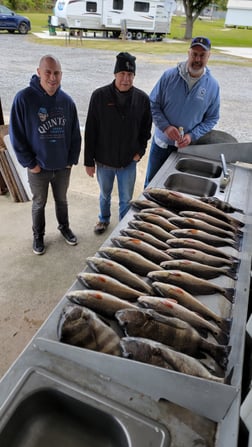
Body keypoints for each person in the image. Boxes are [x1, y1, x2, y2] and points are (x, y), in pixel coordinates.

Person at [9, 55, 82, 255]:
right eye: (48, 72)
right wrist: (30, 163)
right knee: (39, 203)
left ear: (61, 75)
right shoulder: (24, 99)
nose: (52, 77)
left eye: (56, 73)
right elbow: (17, 136)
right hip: (38, 167)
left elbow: (75, 134)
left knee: (62, 200)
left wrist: (70, 160)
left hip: (61, 167)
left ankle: (64, 227)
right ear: (39, 72)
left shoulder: (67, 101)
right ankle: (38, 235)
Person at [84, 51, 152, 234]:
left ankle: (123, 227)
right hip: (104, 161)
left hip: (128, 162)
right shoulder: (99, 96)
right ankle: (103, 219)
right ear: (115, 74)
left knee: (126, 198)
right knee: (105, 194)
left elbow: (146, 130)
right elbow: (90, 130)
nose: (126, 79)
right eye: (122, 74)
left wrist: (140, 152)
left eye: (130, 75)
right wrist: (88, 161)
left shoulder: (142, 99)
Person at [144, 36, 220, 187]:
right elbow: (152, 103)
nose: (197, 59)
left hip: (187, 149)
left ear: (209, 56)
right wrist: (165, 126)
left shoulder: (212, 86)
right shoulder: (169, 76)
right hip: (161, 145)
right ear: (188, 53)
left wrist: (192, 136)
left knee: (177, 190)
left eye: (202, 55)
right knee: (152, 185)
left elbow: (212, 118)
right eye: (194, 54)